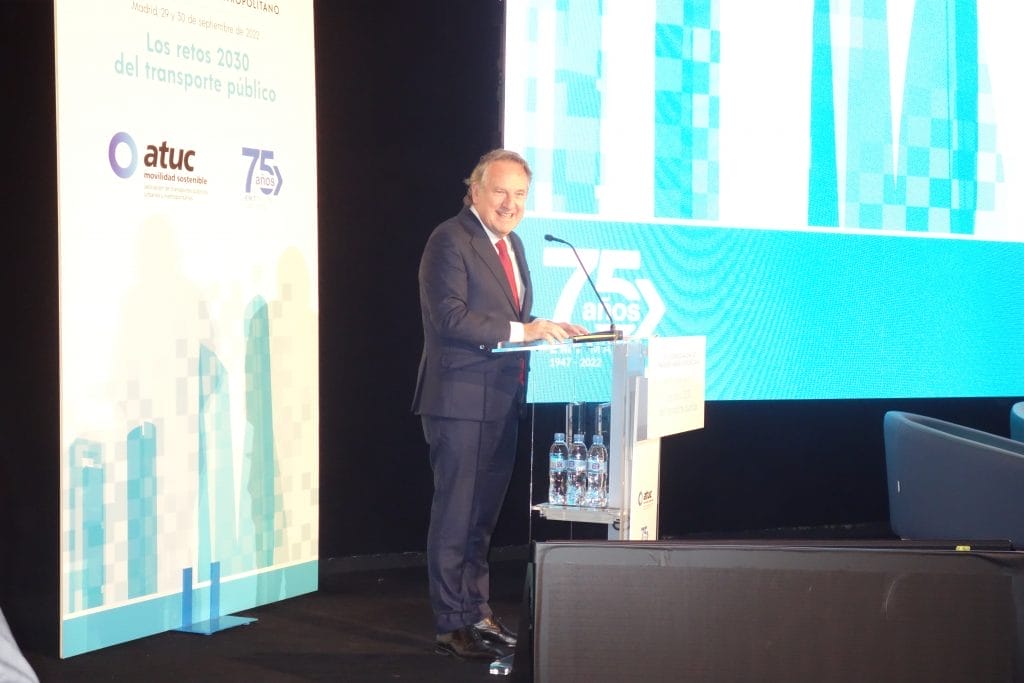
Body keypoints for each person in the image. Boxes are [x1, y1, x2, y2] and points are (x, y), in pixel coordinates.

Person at [412, 149, 587, 660]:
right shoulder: (450, 239)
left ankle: (477, 612)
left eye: (520, 194)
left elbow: (509, 319)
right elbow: (449, 317)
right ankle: (452, 624)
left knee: (481, 517)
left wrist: (546, 328)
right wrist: (523, 330)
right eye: (500, 192)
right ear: (475, 191)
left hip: (502, 399)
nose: (511, 204)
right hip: (461, 400)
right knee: (456, 515)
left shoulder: (513, 245)